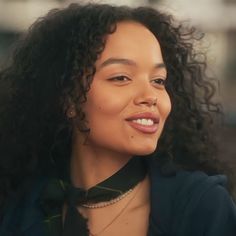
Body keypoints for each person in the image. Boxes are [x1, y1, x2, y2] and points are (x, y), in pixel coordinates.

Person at [0, 3, 236, 236]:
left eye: (158, 81)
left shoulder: (201, 207)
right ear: (68, 99)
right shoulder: (18, 209)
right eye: (121, 77)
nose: (150, 96)